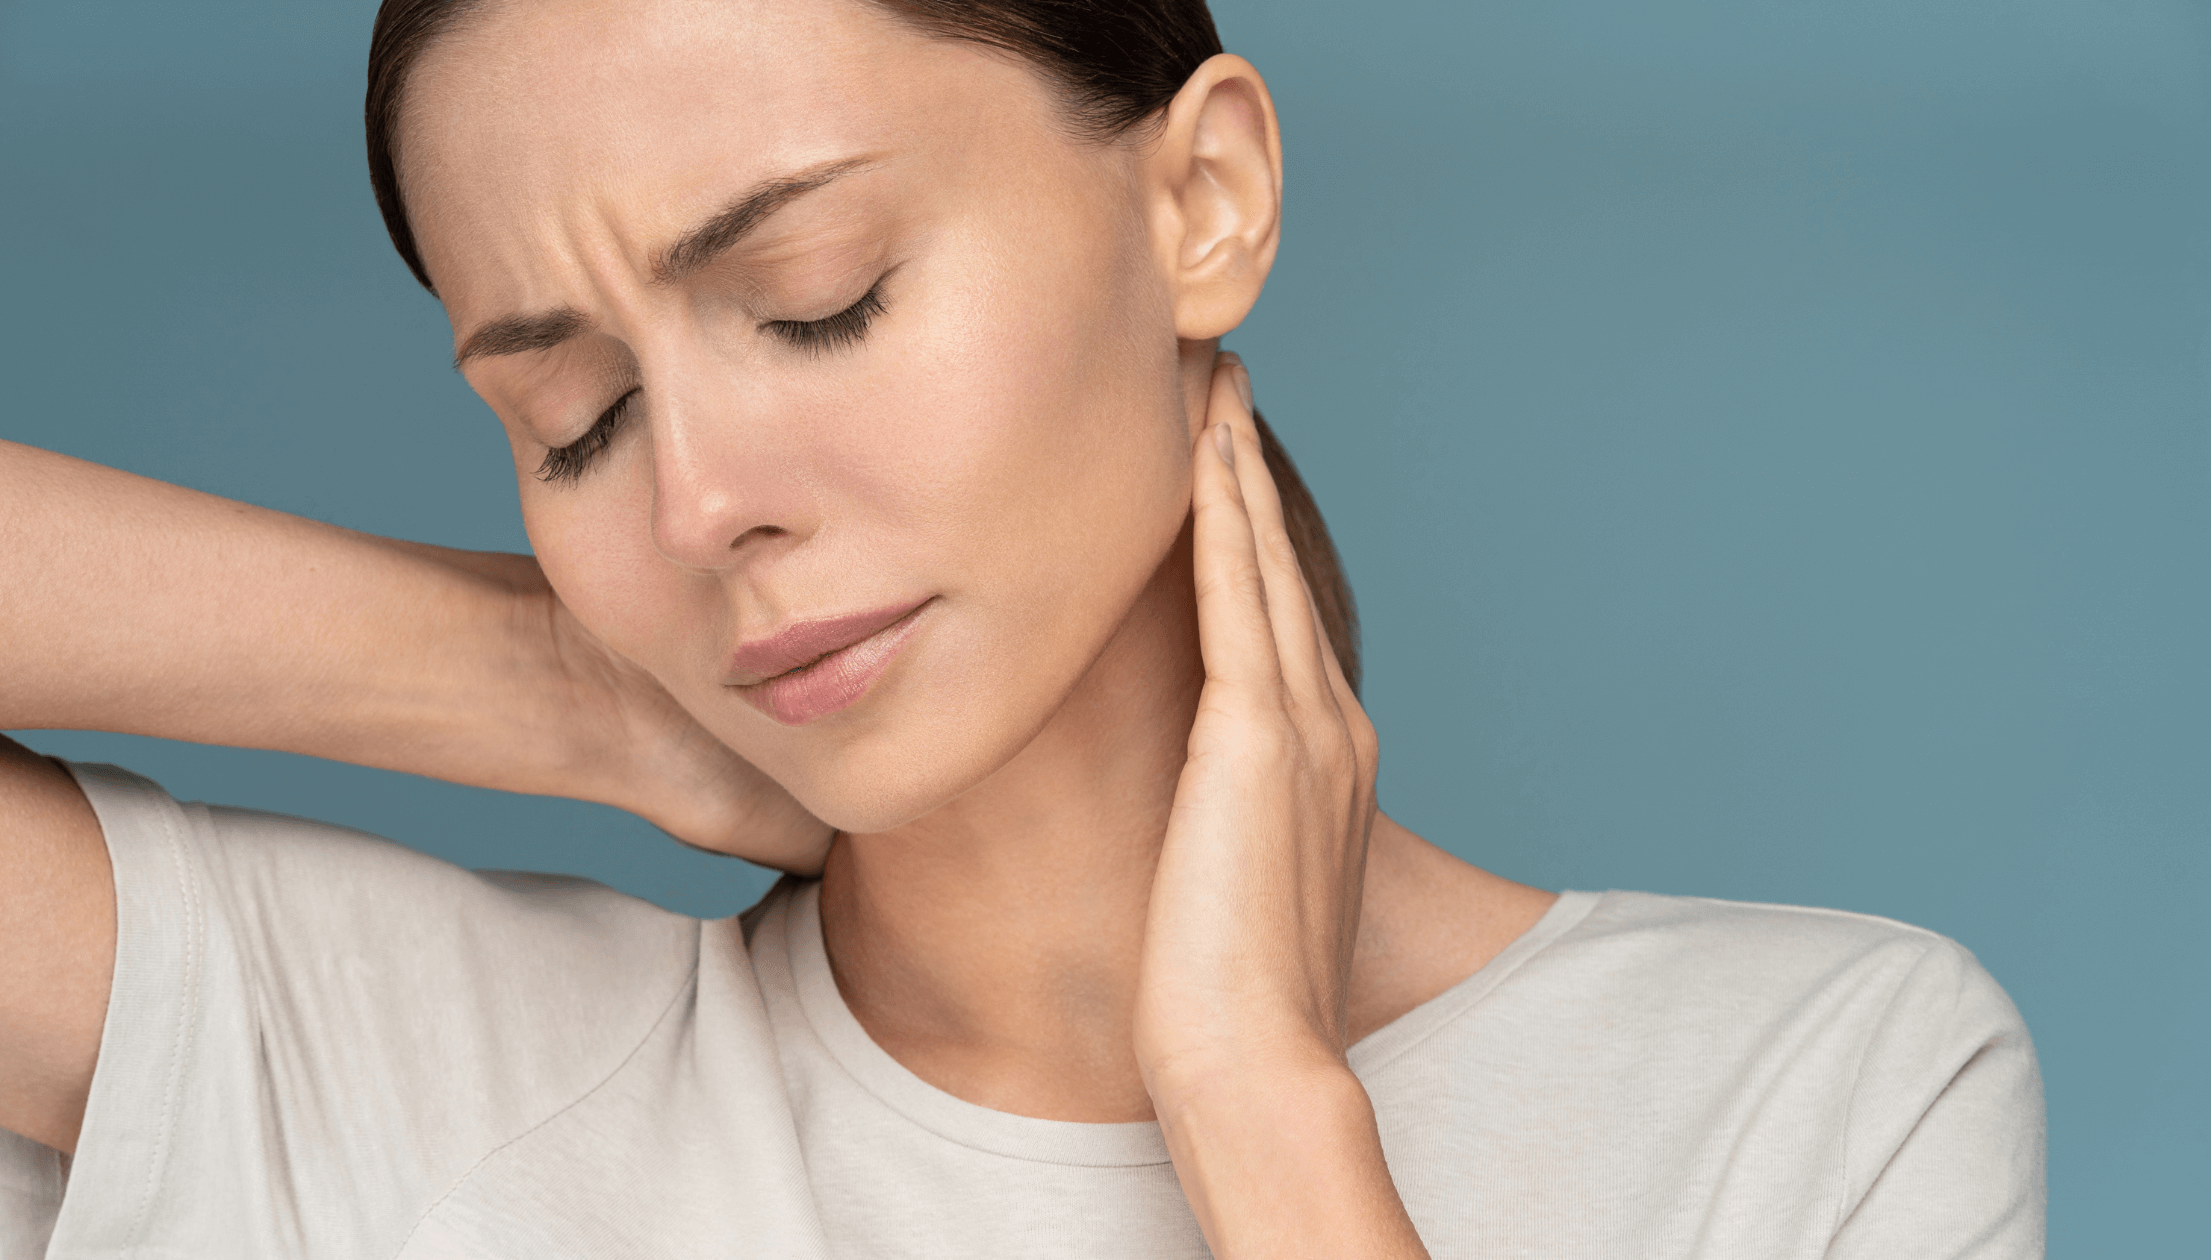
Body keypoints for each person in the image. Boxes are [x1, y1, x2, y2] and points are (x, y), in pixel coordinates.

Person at [0, 0, 2045, 1255]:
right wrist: (580, 692)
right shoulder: (373, 1068)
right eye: (576, 418)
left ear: (1204, 201)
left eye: (817, 297)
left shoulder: (1813, 1087)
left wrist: (1260, 1111)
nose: (702, 505)